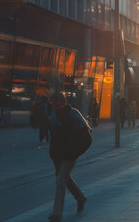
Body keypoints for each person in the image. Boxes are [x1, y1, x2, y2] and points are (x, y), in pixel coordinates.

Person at [47, 92, 89, 222]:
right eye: (53, 103)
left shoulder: (73, 114)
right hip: (57, 154)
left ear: (62, 102)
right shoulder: (52, 115)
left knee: (60, 182)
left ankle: (57, 214)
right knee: (65, 179)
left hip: (69, 154)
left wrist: (76, 151)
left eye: (57, 103)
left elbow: (86, 134)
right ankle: (80, 197)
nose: (55, 106)